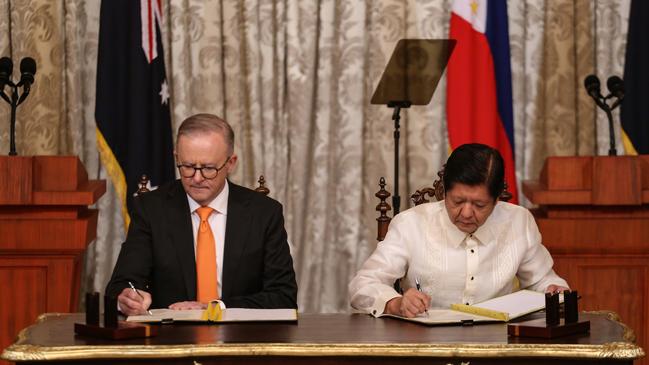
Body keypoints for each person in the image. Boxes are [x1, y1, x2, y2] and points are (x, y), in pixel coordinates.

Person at [106, 113, 298, 315]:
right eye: (187, 167)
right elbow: (120, 285)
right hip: (171, 340)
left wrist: (215, 308)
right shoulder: (151, 210)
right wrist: (127, 298)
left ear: (231, 163)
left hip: (241, 339)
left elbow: (283, 296)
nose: (196, 178)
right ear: (176, 158)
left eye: (208, 168)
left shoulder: (264, 213)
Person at [349, 143, 568, 318]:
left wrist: (554, 291)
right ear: (444, 191)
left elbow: (544, 282)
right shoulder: (411, 224)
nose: (465, 213)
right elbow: (363, 285)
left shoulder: (519, 221)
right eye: (457, 201)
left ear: (496, 200)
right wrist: (396, 304)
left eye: (479, 205)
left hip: (496, 348)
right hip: (427, 348)